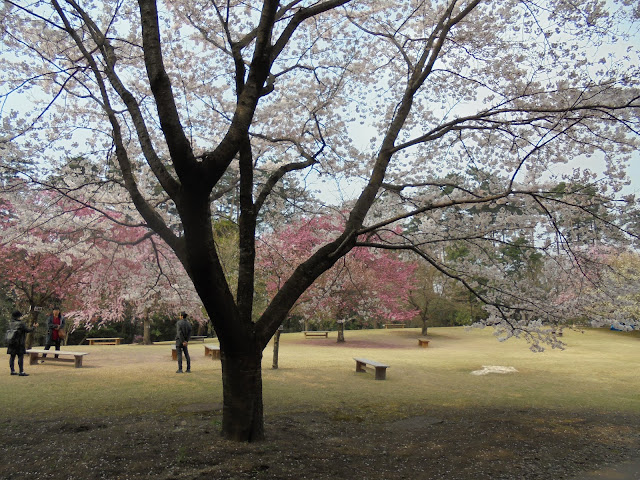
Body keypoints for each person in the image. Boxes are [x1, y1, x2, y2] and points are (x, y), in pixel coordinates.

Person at [7, 310, 38, 376]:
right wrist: (34, 327)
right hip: (19, 343)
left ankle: (12, 371)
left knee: (12, 357)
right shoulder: (21, 324)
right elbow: (27, 330)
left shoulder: (10, 323)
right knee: (20, 357)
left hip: (11, 342)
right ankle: (21, 371)